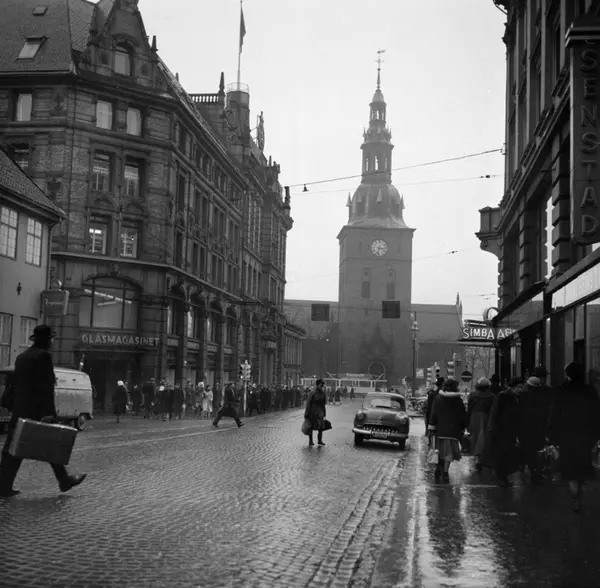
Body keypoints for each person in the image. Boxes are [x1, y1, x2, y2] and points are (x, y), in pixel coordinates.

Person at [0, 325, 86, 498]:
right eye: (51, 339)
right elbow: (46, 387)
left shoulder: (22, 357)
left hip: (20, 408)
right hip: (36, 410)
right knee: (51, 445)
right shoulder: (43, 356)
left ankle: (4, 486)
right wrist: (49, 413)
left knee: (12, 448)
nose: (52, 342)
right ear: (47, 340)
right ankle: (64, 481)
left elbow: (16, 383)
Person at [548, 362, 600, 512]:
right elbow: (596, 413)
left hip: (567, 435)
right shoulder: (589, 391)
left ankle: (575, 495)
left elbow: (555, 413)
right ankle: (579, 489)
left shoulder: (562, 391)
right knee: (582, 465)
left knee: (570, 468)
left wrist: (552, 435)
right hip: (586, 435)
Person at [428, 378, 467, 483]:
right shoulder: (458, 400)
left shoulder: (438, 398)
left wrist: (431, 427)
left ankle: (438, 468)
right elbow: (462, 416)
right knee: (449, 453)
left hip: (440, 430)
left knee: (439, 451)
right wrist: (463, 427)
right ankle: (445, 472)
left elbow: (434, 414)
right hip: (453, 431)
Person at [484, 379, 521, 487]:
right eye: (519, 387)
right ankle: (501, 477)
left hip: (510, 430)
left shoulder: (515, 396)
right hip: (501, 430)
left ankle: (503, 477)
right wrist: (493, 427)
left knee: (507, 453)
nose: (520, 389)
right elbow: (495, 412)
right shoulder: (503, 396)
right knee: (502, 454)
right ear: (513, 387)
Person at [517, 376, 552, 485]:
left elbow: (518, 411)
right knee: (539, 450)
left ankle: (530, 469)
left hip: (525, 427)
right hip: (539, 427)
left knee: (528, 449)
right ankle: (538, 472)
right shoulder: (544, 396)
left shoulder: (523, 395)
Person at [467, 377, 495, 472]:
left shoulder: (472, 395)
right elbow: (493, 409)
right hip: (487, 418)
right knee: (485, 438)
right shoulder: (491, 396)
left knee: (475, 437)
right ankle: (483, 458)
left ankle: (477, 459)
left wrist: (467, 421)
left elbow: (469, 408)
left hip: (474, 417)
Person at [304, 379, 327, 446]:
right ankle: (310, 441)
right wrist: (307, 413)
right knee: (311, 427)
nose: (322, 387)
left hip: (320, 413)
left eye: (322, 385)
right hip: (312, 412)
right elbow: (308, 403)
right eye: (320, 385)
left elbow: (323, 404)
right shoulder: (312, 393)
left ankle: (320, 440)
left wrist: (324, 412)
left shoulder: (323, 393)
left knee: (321, 427)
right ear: (317, 385)